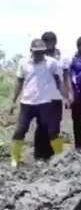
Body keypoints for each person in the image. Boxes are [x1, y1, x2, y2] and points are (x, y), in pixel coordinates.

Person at [9, 39, 62, 168]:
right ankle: (15, 158)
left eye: (42, 52)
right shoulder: (23, 63)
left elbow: (58, 81)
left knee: (50, 130)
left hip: (45, 103)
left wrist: (62, 96)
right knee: (20, 130)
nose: (39, 54)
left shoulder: (52, 63)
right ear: (31, 51)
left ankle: (60, 157)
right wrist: (13, 101)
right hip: (27, 103)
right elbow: (19, 82)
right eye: (37, 52)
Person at [33, 31, 68, 160]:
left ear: (55, 42)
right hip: (41, 97)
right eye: (46, 42)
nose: (49, 45)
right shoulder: (37, 57)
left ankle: (55, 154)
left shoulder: (60, 57)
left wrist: (67, 95)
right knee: (42, 125)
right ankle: (39, 155)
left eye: (51, 42)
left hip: (56, 96)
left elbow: (64, 75)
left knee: (55, 126)